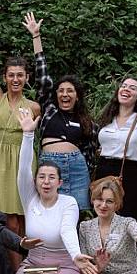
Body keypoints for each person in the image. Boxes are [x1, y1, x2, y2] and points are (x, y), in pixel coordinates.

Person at [1, 109, 98, 274]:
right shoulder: (30, 199)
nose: (45, 182)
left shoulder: (69, 203)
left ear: (60, 182)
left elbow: (66, 230)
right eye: (41, 177)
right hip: (33, 263)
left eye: (51, 177)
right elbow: (23, 170)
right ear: (35, 181)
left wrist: (76, 256)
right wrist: (27, 135)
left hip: (65, 266)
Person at [0, 5, 41, 269]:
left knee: (26, 219)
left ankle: (31, 268)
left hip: (24, 163)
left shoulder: (34, 106)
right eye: (11, 75)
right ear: (5, 78)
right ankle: (14, 272)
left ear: (27, 78)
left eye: (20, 75)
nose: (15, 79)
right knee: (6, 220)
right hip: (0, 165)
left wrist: (35, 37)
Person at [24, 12, 96, 213]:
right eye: (61, 90)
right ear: (55, 94)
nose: (65, 94)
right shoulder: (48, 108)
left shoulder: (86, 121)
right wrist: (36, 37)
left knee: (79, 214)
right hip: (50, 166)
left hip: (77, 168)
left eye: (70, 91)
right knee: (50, 211)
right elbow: (42, 75)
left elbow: (91, 150)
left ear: (77, 96)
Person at [94, 76, 137, 223]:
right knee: (102, 214)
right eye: (124, 85)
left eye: (132, 88)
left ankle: (129, 246)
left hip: (129, 173)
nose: (126, 89)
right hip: (103, 170)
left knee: (128, 217)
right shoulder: (107, 117)